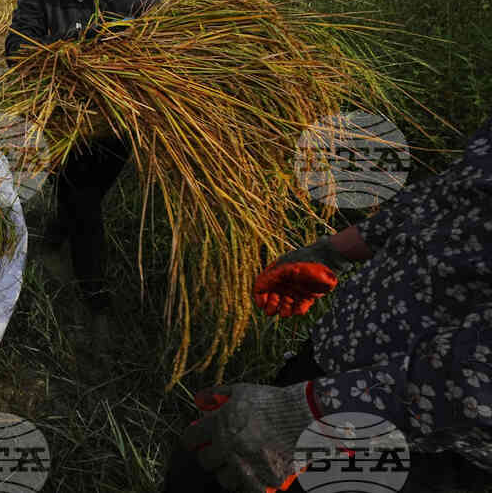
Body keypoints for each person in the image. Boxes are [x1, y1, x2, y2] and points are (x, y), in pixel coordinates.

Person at [165, 112, 492, 492]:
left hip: (419, 432)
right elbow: (457, 194)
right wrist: (331, 252)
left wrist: (303, 413)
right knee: (207, 470)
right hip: (339, 362)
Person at [4, 0, 160, 340]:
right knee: (82, 200)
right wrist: (72, 62)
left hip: (115, 127)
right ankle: (96, 300)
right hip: (57, 119)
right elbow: (18, 47)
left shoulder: (141, 1)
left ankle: (55, 238)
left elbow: (162, 67)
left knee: (86, 196)